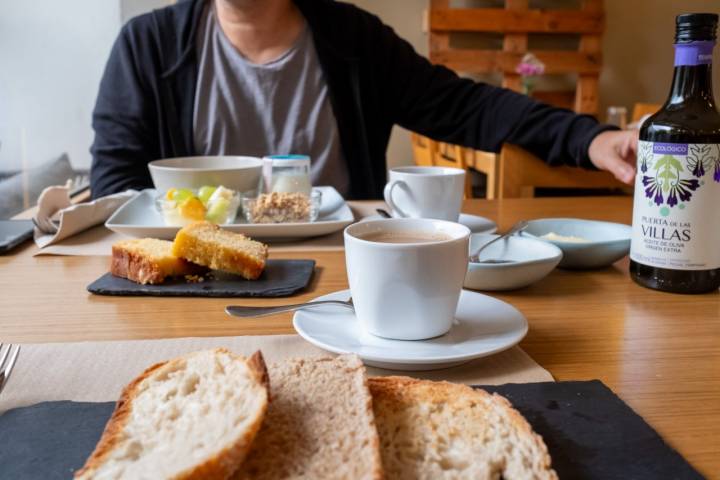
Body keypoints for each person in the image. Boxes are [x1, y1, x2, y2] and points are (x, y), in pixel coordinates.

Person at [89, 0, 637, 200]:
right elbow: (114, 185)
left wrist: (590, 138)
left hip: (344, 271)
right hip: (197, 274)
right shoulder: (146, 46)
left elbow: (463, 106)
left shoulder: (353, 39)